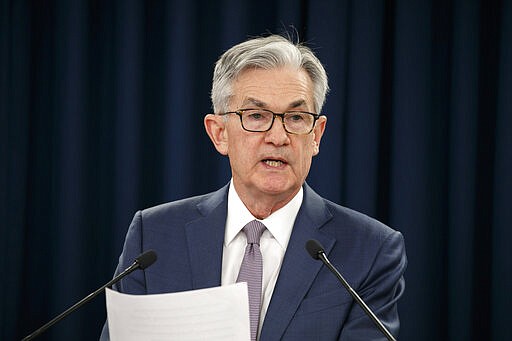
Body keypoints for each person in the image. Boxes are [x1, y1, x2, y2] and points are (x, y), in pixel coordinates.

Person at [100, 34, 407, 340]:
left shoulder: (370, 250)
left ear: (316, 135)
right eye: (257, 116)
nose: (278, 136)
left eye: (296, 117)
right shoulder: (153, 237)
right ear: (219, 133)